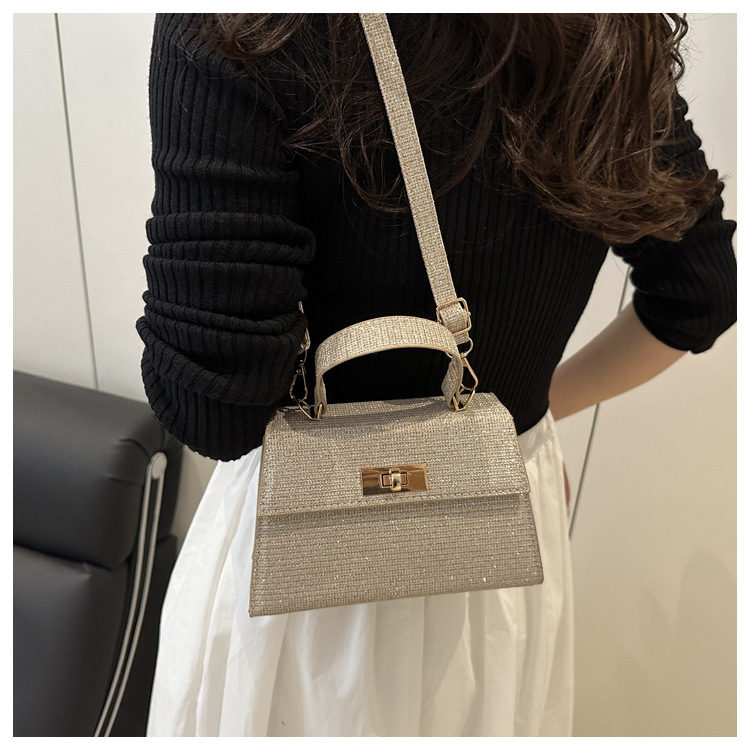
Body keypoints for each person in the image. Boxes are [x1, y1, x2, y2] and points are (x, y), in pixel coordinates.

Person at [137, 13, 737, 737]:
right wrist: (520, 417)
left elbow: (212, 409)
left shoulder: (248, 25)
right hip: (495, 544)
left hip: (312, 567)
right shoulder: (606, 24)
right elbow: (700, 292)